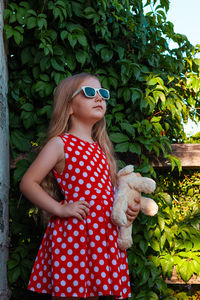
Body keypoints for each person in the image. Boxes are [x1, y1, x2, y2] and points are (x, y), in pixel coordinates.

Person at [20, 73, 141, 300]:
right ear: (69, 106)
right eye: (89, 93)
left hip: (102, 234)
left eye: (102, 94)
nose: (99, 98)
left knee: (93, 294)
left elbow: (112, 195)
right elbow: (28, 182)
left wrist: (129, 211)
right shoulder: (60, 144)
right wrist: (59, 209)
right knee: (72, 294)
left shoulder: (101, 149)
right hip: (75, 233)